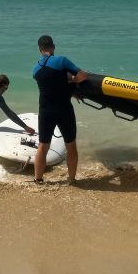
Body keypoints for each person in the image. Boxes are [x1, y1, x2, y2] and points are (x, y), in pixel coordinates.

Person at [32, 35, 88, 184]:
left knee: (43, 146)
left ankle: (38, 179)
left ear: (39, 49)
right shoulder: (61, 61)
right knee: (70, 145)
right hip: (64, 110)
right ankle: (71, 179)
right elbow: (83, 75)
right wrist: (73, 81)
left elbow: (52, 84)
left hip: (45, 111)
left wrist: (67, 84)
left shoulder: (35, 69)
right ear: (53, 46)